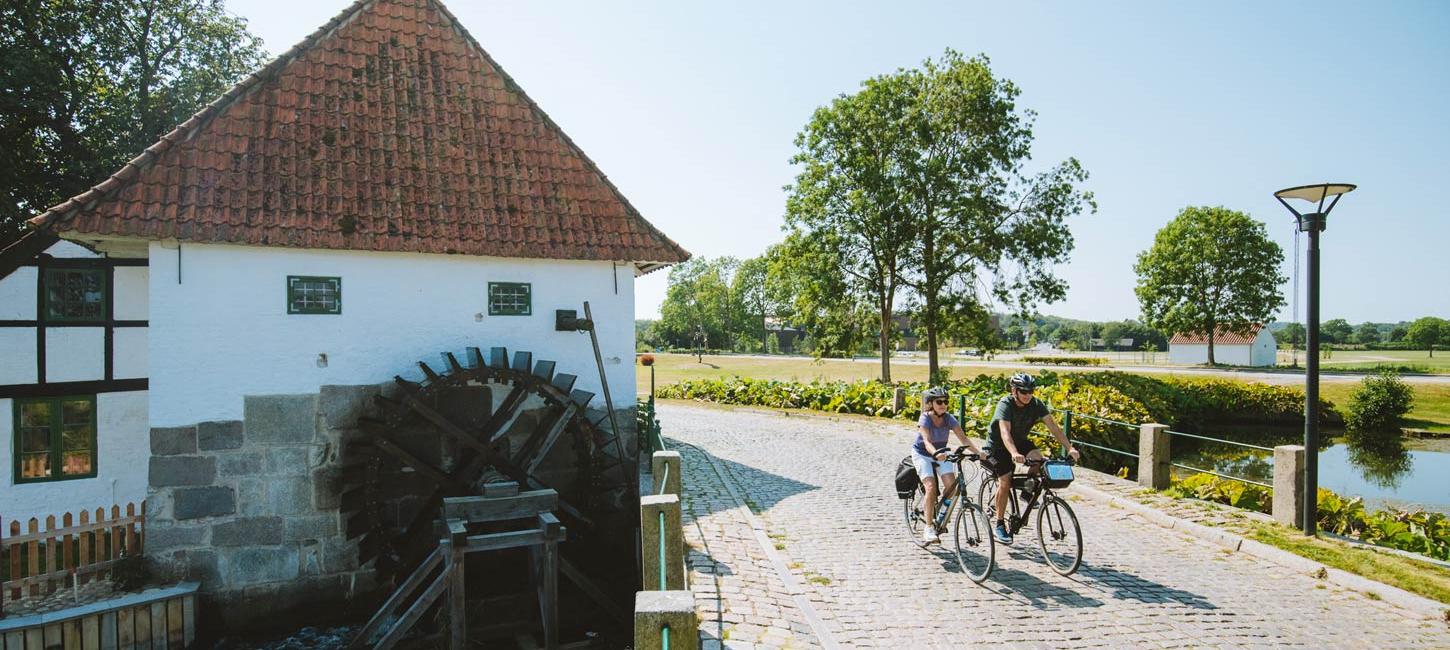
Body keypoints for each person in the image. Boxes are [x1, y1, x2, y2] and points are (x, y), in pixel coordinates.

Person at [982, 373, 1079, 545]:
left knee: (1039, 460)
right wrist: (1013, 453)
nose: (1027, 394)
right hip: (998, 446)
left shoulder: (1035, 404)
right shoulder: (1005, 404)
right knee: (1005, 480)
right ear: (1014, 391)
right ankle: (999, 524)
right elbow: (1005, 432)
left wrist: (1069, 448)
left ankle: (1026, 494)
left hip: (1020, 442)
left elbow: (1054, 428)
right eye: (1023, 391)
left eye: (1030, 391)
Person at [912, 386, 984, 545]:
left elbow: (963, 439)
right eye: (939, 402)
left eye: (946, 402)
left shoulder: (949, 418)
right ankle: (929, 527)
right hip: (923, 454)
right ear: (931, 404)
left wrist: (979, 453)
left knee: (952, 486)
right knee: (930, 487)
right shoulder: (925, 418)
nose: (943, 404)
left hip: (941, 453)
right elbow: (927, 441)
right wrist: (936, 454)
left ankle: (940, 512)